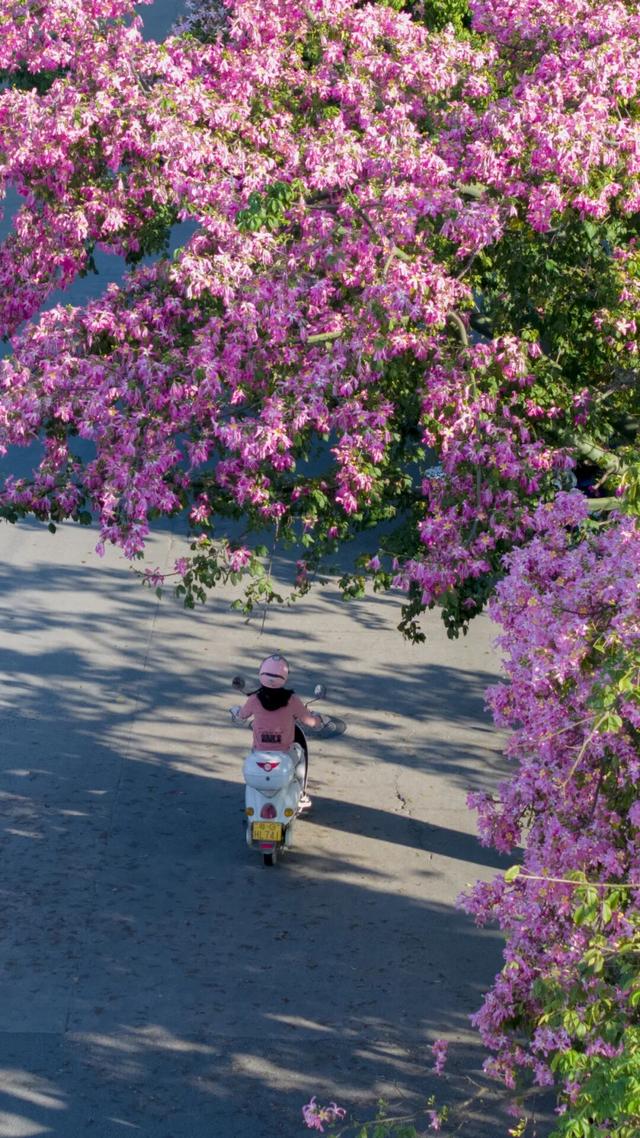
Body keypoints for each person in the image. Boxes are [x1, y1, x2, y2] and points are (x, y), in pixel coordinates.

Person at [234, 653, 321, 807]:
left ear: (261, 673)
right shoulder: (292, 700)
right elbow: (310, 721)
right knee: (300, 754)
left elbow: (241, 716)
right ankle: (301, 794)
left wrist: (235, 712)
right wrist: (319, 719)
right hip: (285, 753)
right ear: (284, 676)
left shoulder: (254, 699)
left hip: (259, 752)